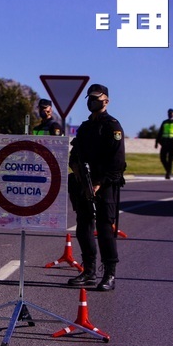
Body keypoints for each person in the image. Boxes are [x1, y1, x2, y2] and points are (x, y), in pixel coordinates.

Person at [67, 84, 126, 291]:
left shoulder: (113, 127)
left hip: (106, 184)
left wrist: (99, 184)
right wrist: (80, 177)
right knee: (83, 226)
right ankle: (89, 271)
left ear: (106, 101)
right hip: (84, 183)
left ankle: (109, 274)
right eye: (90, 98)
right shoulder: (85, 127)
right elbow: (75, 155)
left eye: (97, 98)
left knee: (104, 229)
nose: (93, 101)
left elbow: (117, 162)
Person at [155, 108, 173, 179]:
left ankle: (168, 173)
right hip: (165, 142)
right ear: (167, 114)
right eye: (169, 113)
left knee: (171, 158)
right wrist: (156, 142)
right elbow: (160, 133)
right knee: (162, 158)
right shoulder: (164, 122)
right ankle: (168, 170)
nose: (170, 115)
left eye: (172, 113)